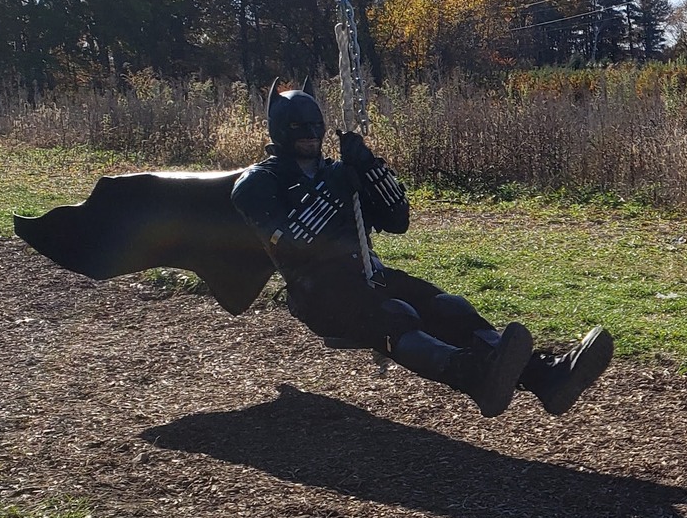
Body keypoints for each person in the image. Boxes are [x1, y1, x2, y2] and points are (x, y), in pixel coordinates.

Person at [230, 84, 612, 418]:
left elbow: (396, 218)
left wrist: (371, 168)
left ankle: (549, 377)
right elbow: (292, 243)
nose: (311, 136)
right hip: (318, 291)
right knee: (396, 316)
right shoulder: (258, 182)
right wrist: (333, 190)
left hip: (369, 273)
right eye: (300, 130)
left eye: (315, 127)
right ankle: (475, 377)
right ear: (281, 131)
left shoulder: (337, 168)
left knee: (449, 308)